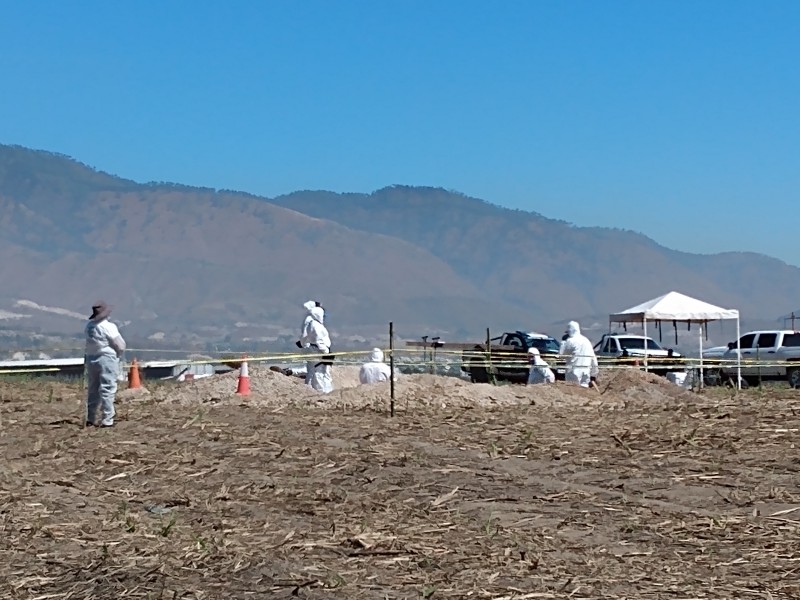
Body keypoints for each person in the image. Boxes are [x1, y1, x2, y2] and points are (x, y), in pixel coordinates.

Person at [84, 301, 126, 427]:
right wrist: (118, 353)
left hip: (92, 358)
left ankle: (91, 417)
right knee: (108, 388)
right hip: (106, 358)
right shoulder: (108, 326)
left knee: (93, 388)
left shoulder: (89, 326)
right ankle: (107, 418)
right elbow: (120, 345)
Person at [298, 305, 333, 393]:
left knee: (311, 371)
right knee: (320, 372)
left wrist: (304, 345)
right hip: (319, 351)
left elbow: (304, 337)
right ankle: (322, 391)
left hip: (313, 349)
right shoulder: (317, 326)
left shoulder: (311, 324)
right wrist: (326, 353)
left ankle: (309, 389)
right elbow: (319, 340)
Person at [559, 320, 598, 388]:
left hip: (572, 375)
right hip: (585, 374)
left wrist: (563, 342)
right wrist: (594, 374)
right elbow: (593, 359)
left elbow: (561, 355)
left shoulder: (570, 341)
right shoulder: (586, 341)